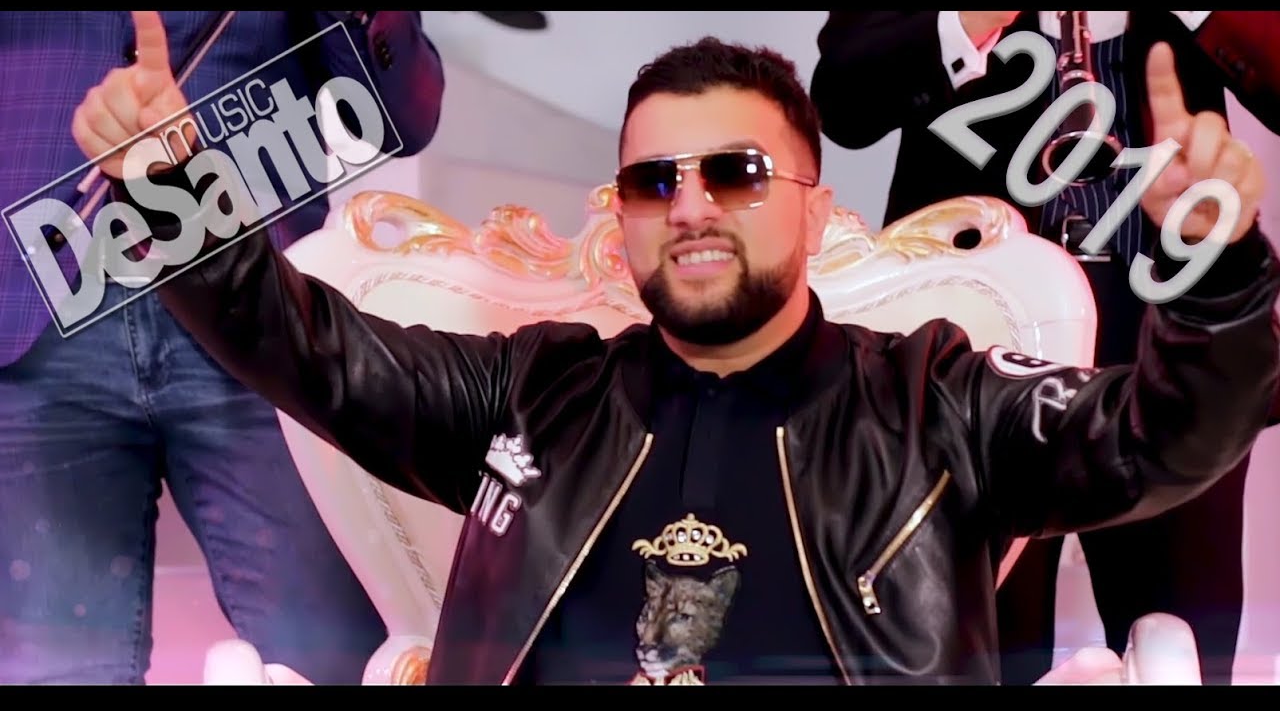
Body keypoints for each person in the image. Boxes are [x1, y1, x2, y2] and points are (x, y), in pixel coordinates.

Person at [82, 34, 1278, 685]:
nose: (692, 205)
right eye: (654, 181)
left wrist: (1215, 268)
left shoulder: (936, 402)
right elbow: (301, 344)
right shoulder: (528, 396)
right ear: (622, 216)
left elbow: (1158, 438)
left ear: (815, 210)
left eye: (735, 174)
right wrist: (170, 188)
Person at [810, 11, 1280, 684]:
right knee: (976, 650)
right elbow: (843, 101)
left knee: (1186, 651)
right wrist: (968, 23)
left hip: (1176, 352)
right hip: (972, 359)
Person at [0, 11, 445, 684]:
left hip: (256, 305)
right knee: (55, 671)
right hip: (35, 300)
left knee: (328, 660)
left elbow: (401, 119)